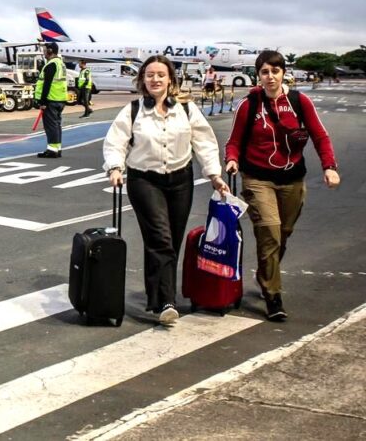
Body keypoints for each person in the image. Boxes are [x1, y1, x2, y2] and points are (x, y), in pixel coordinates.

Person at [103, 54, 229, 325]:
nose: (155, 79)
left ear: (171, 79)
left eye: (161, 74)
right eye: (150, 75)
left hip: (180, 181)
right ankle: (167, 301)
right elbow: (116, 142)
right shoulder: (133, 110)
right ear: (142, 80)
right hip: (144, 181)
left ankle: (156, 298)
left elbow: (204, 142)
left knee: (170, 240)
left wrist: (214, 175)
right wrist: (115, 167)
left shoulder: (186, 109)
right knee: (160, 238)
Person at [224, 50, 339, 322]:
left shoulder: (300, 102)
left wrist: (330, 167)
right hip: (257, 179)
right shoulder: (249, 105)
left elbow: (320, 136)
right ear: (258, 75)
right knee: (270, 233)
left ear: (283, 73)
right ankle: (272, 295)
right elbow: (234, 141)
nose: (270, 76)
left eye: (275, 71)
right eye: (265, 72)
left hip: (292, 179)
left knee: (283, 233)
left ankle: (266, 272)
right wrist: (231, 160)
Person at [35, 42, 68, 158]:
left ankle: (52, 150)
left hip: (51, 99)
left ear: (49, 51)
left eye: (45, 50)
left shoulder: (51, 65)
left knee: (50, 126)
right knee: (56, 125)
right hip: (60, 99)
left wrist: (43, 102)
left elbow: (46, 84)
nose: (43, 52)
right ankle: (57, 148)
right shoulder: (60, 64)